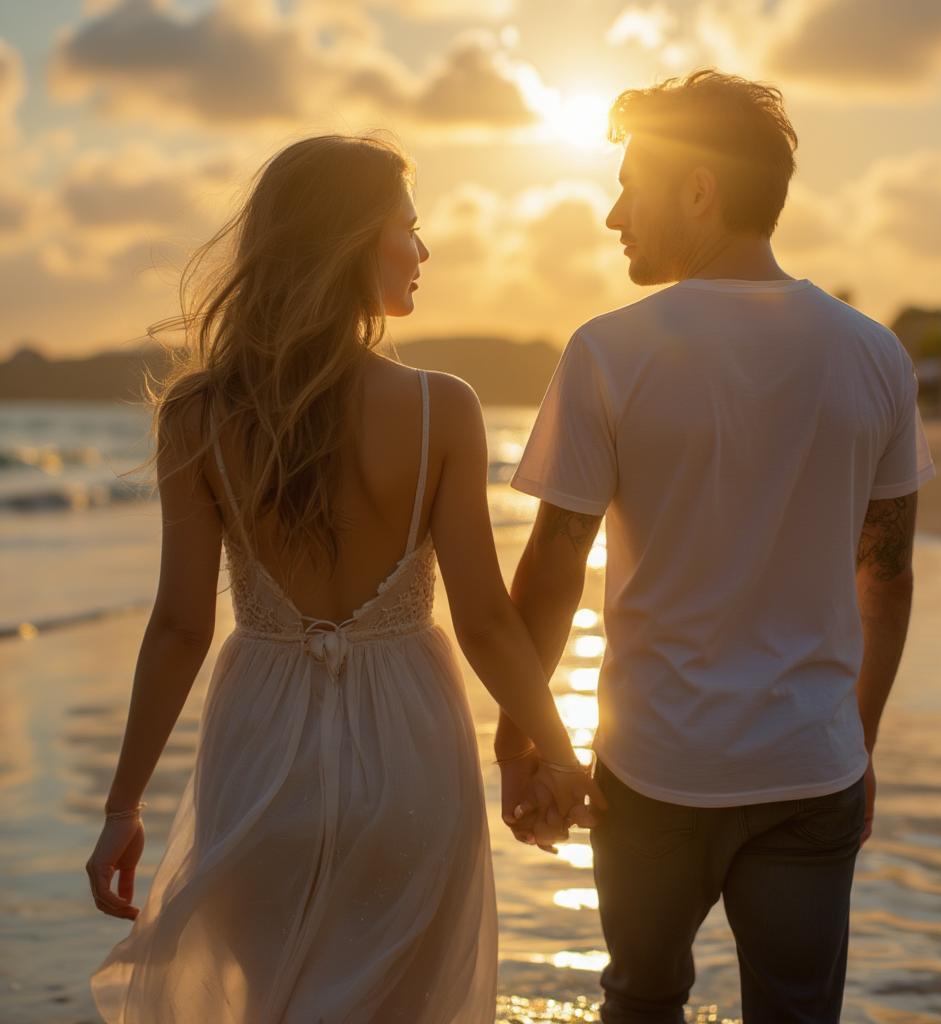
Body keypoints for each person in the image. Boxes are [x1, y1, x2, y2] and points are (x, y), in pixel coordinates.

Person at [85, 133, 605, 1023]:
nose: (424, 249)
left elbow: (179, 628)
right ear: (355, 240)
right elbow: (483, 619)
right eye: (409, 225)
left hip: (261, 751)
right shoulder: (445, 408)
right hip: (408, 752)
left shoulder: (200, 412)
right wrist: (554, 751)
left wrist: (122, 808)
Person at [496, 70, 936, 1023]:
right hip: (809, 767)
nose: (616, 215)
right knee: (797, 1012)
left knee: (641, 1003)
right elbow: (887, 572)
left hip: (654, 770)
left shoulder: (608, 351)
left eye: (631, 187)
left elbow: (554, 568)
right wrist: (854, 742)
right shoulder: (874, 354)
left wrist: (524, 736)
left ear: (699, 188)